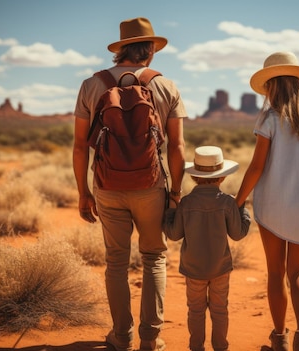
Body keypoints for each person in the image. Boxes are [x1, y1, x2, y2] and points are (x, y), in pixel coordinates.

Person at [72, 17, 187, 351]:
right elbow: (177, 147)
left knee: (116, 262)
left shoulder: (92, 85)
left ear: (120, 49)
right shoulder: (166, 86)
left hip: (107, 186)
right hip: (151, 186)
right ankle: (150, 339)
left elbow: (80, 146)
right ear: (150, 51)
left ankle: (121, 337)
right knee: (154, 257)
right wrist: (176, 193)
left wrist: (84, 192)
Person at [235, 52, 299, 351]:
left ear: (273, 85)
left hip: (273, 207)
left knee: (276, 272)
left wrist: (237, 201)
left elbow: (256, 167)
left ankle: (279, 339)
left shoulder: (271, 118)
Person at [163, 145, 251, 351]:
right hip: (221, 268)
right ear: (221, 177)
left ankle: (196, 347)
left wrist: (170, 210)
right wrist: (242, 210)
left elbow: (173, 234)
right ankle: (220, 347)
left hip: (193, 269)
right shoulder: (228, 203)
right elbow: (238, 234)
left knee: (195, 310)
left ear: (194, 177)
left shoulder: (186, 203)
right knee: (220, 310)